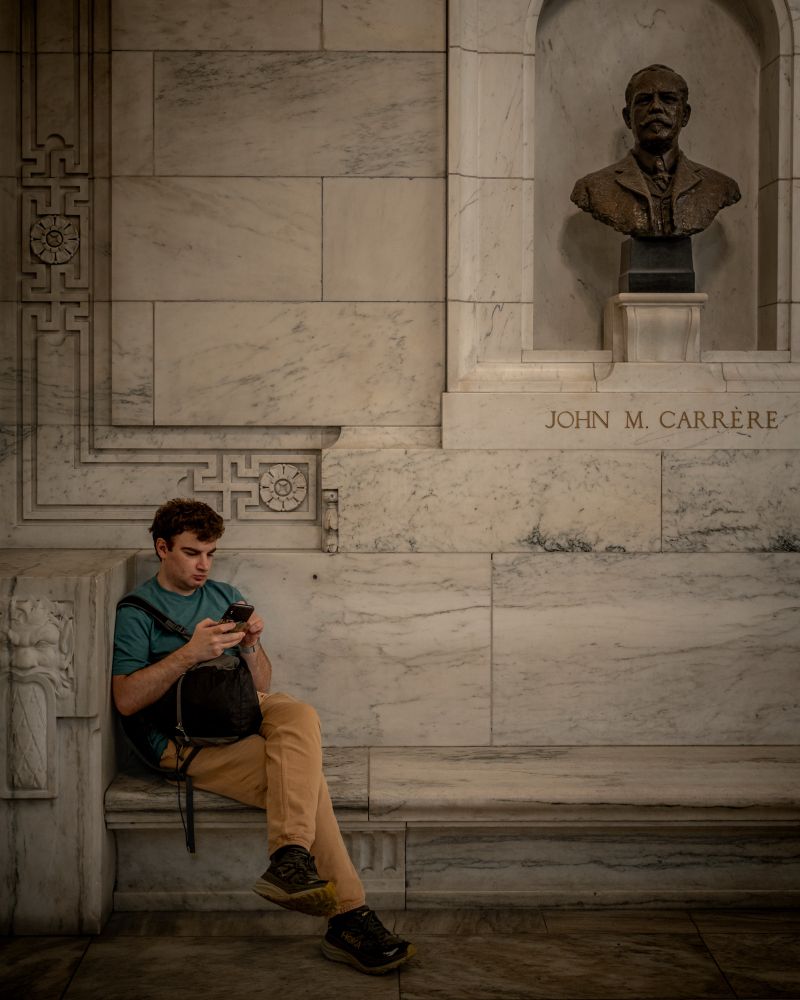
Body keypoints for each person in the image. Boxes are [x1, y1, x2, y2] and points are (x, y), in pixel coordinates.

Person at [112, 498, 415, 975]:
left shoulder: (224, 592)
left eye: (210, 553)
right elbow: (127, 700)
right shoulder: (136, 611)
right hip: (181, 738)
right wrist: (189, 653)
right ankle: (348, 916)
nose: (203, 565)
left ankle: (290, 858)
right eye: (192, 553)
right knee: (307, 782)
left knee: (298, 713)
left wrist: (251, 645)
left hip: (237, 713)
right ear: (162, 547)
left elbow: (261, 688)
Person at [570, 64, 741, 237]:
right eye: (644, 100)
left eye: (668, 99)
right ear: (628, 117)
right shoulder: (592, 187)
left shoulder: (719, 186)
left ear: (685, 115)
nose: (656, 107)